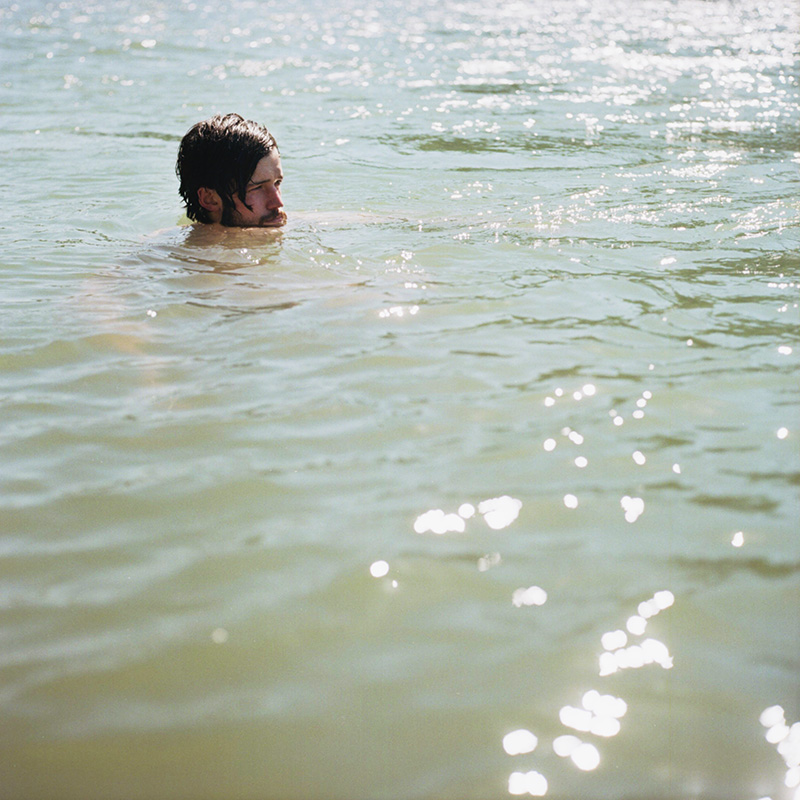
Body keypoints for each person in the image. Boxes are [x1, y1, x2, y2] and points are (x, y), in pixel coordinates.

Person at [176, 113, 286, 228]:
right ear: (209, 199)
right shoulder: (167, 245)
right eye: (257, 187)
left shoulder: (300, 224)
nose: (278, 203)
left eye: (277, 183)